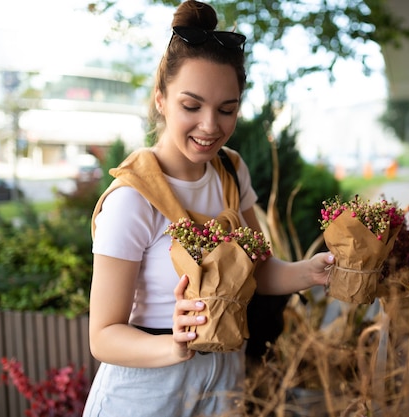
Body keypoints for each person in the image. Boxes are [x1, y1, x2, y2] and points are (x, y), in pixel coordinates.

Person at [82, 1, 335, 416]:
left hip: (224, 381)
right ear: (161, 100)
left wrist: (312, 271)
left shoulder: (231, 173)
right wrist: (174, 345)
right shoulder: (133, 198)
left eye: (227, 109)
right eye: (191, 105)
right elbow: (103, 337)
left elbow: (256, 269)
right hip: (147, 391)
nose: (210, 126)